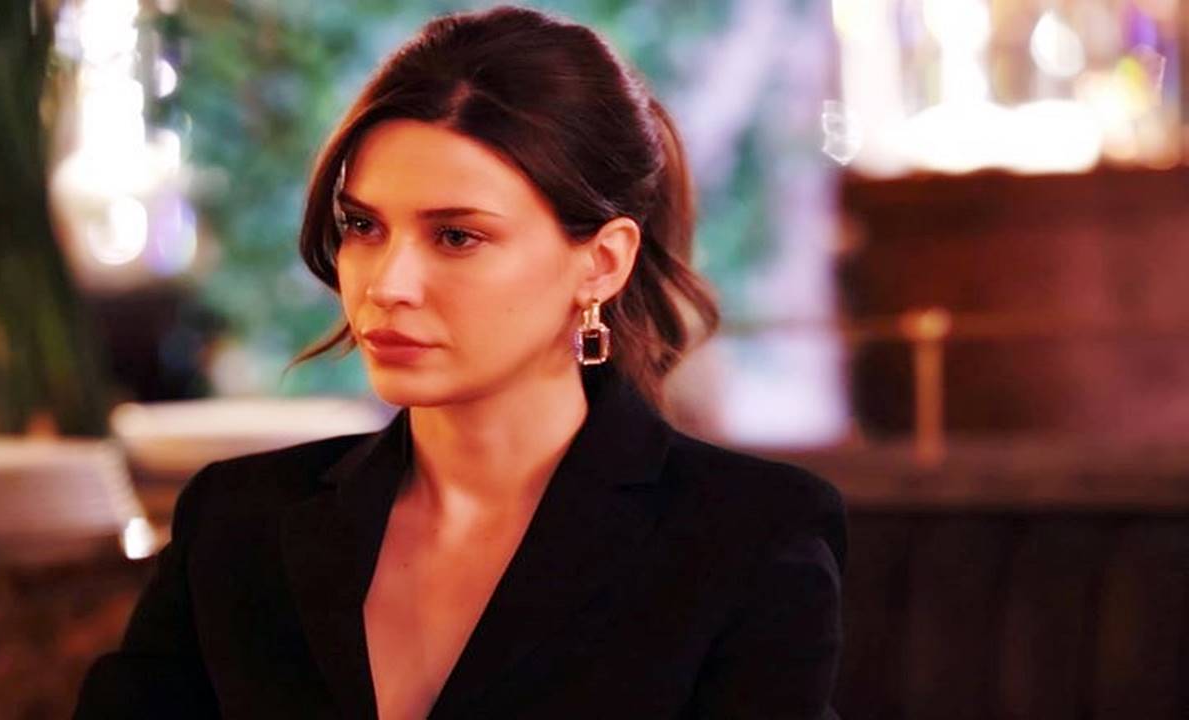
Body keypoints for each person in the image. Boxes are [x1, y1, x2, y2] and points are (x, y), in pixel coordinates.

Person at [74, 5, 846, 718]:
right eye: (364, 227)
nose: (387, 285)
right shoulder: (239, 522)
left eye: (456, 237)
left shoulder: (746, 540)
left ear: (602, 263)